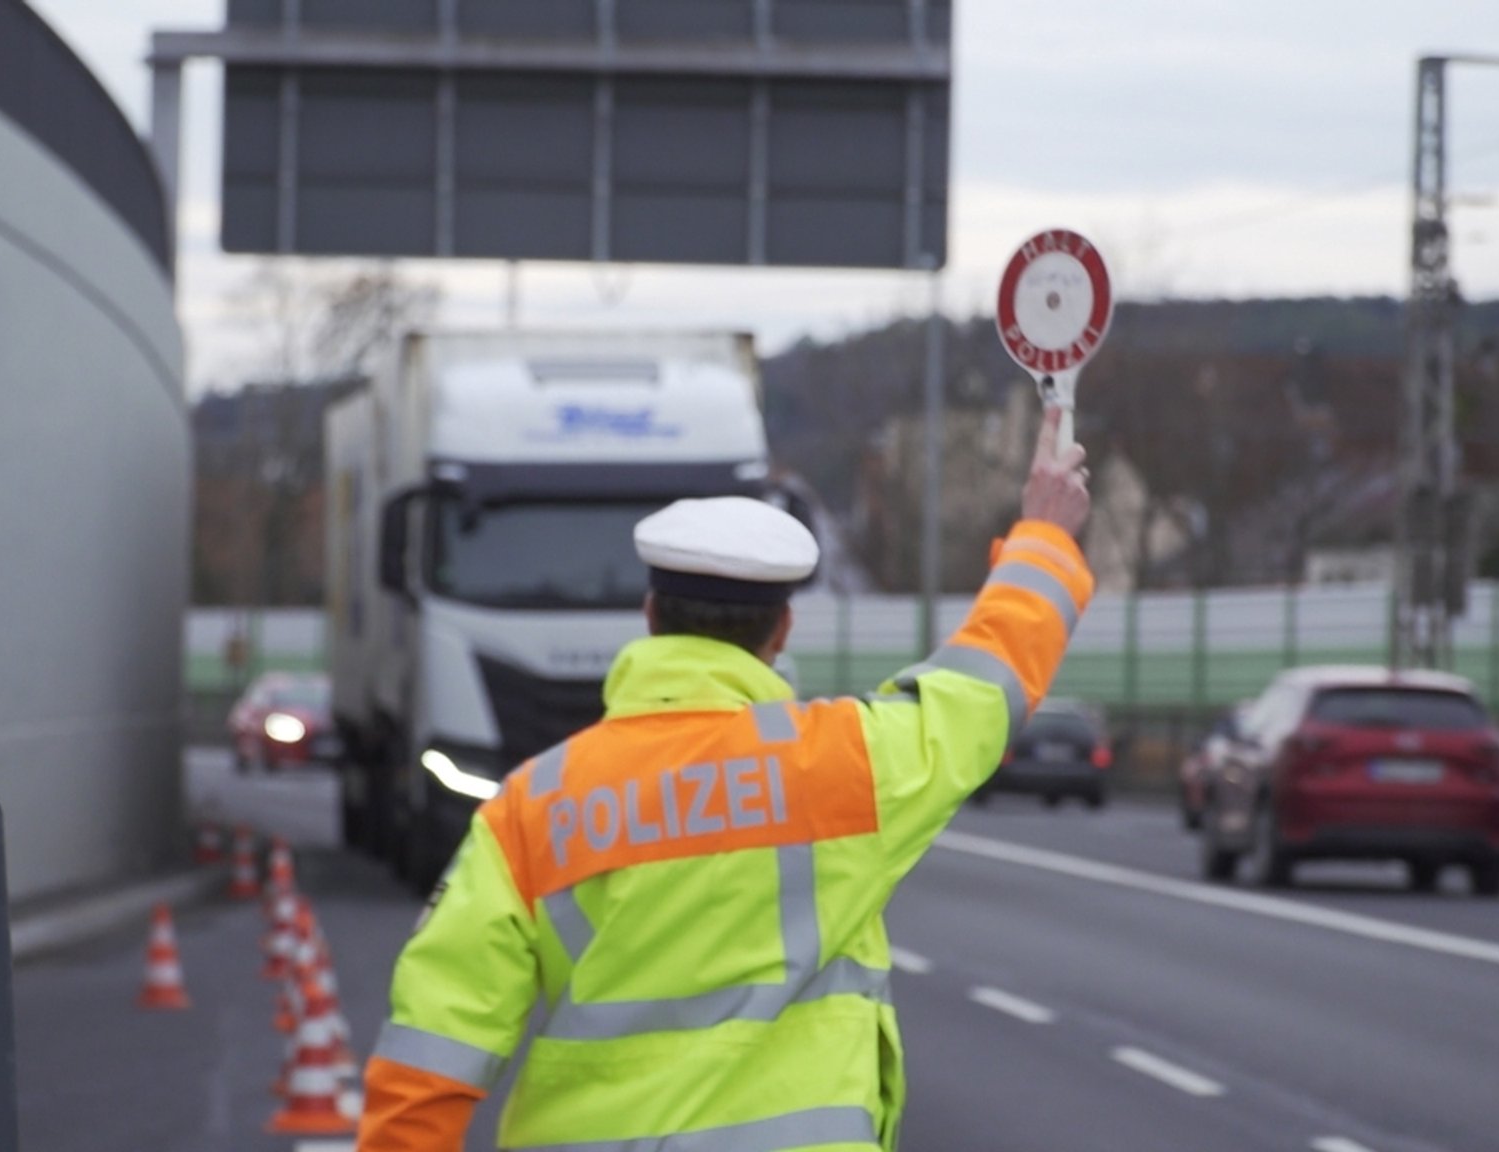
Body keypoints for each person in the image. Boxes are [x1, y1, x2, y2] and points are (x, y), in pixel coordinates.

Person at [359, 408, 1094, 1151]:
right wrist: (1045, 533)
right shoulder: (848, 763)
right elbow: (982, 685)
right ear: (781, 632)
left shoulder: (530, 807)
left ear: (650, 616)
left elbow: (434, 1040)